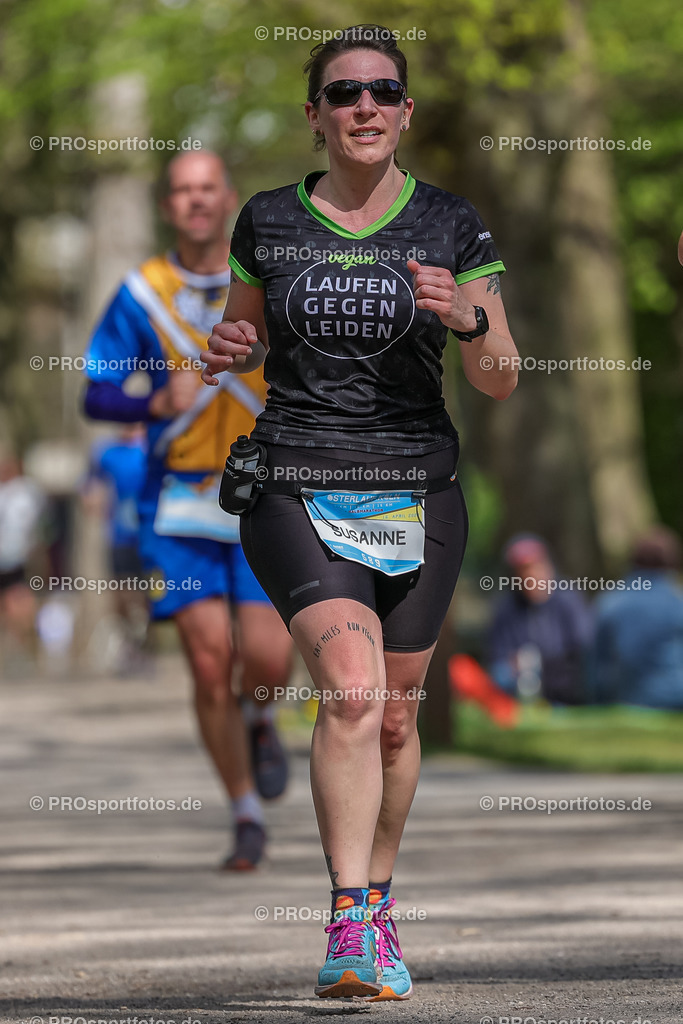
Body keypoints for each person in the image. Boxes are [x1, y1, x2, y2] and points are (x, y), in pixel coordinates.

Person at [201, 25, 518, 1000]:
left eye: (383, 90)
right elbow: (246, 335)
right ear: (315, 115)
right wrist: (226, 349)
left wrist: (463, 319)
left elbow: (499, 375)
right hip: (295, 480)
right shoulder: (266, 220)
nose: (365, 107)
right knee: (350, 687)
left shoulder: (451, 225)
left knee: (392, 719)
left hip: (417, 491)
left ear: (406, 110)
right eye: (343, 94)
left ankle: (377, 899)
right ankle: (346, 923)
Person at [82, 151, 293, 870]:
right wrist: (150, 401)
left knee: (266, 658)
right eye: (182, 191)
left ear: (227, 197)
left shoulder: (271, 275)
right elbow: (95, 391)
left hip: (264, 488)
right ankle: (242, 812)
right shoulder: (143, 292)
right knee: (210, 664)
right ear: (168, 205)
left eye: (208, 189)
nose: (197, 202)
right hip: (178, 496)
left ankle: (261, 716)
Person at [487, 534, 593, 704]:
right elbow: (498, 664)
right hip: (520, 696)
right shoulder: (507, 609)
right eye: (521, 571)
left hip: (568, 695)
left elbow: (585, 650)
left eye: (533, 567)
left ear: (548, 567)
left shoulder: (568, 601)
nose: (529, 576)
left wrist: (544, 666)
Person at [590, 526, 683, 707]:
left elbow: (596, 666)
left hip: (625, 699)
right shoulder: (676, 602)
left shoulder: (609, 602)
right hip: (675, 698)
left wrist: (596, 702)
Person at [83, 425, 150, 674]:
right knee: (121, 593)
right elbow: (90, 483)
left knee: (148, 594)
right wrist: (91, 498)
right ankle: (130, 644)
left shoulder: (151, 445)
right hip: (119, 535)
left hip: (150, 534)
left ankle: (143, 644)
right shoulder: (106, 452)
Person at [0, 452, 45, 671]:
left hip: (17, 556)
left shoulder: (26, 491)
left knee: (18, 601)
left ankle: (27, 643)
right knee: (9, 605)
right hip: (4, 555)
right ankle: (15, 645)